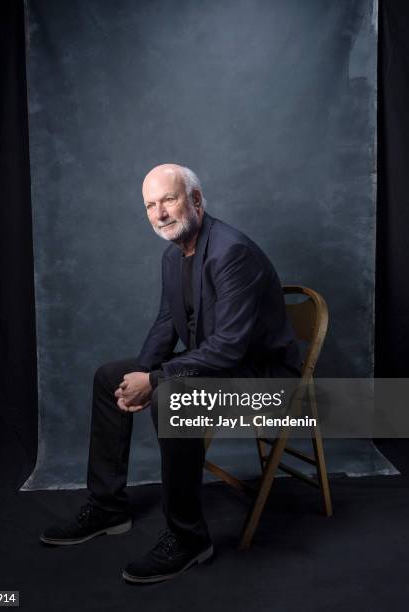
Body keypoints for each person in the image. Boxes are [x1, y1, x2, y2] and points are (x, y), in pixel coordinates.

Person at [40, 163, 301, 583]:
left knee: (171, 395)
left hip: (263, 379)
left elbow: (231, 347)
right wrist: (142, 373)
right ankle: (108, 508)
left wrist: (157, 381)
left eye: (169, 199)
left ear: (196, 200)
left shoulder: (231, 251)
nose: (159, 213)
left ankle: (189, 538)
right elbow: (166, 324)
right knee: (111, 376)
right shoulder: (173, 255)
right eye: (150, 205)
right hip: (216, 367)